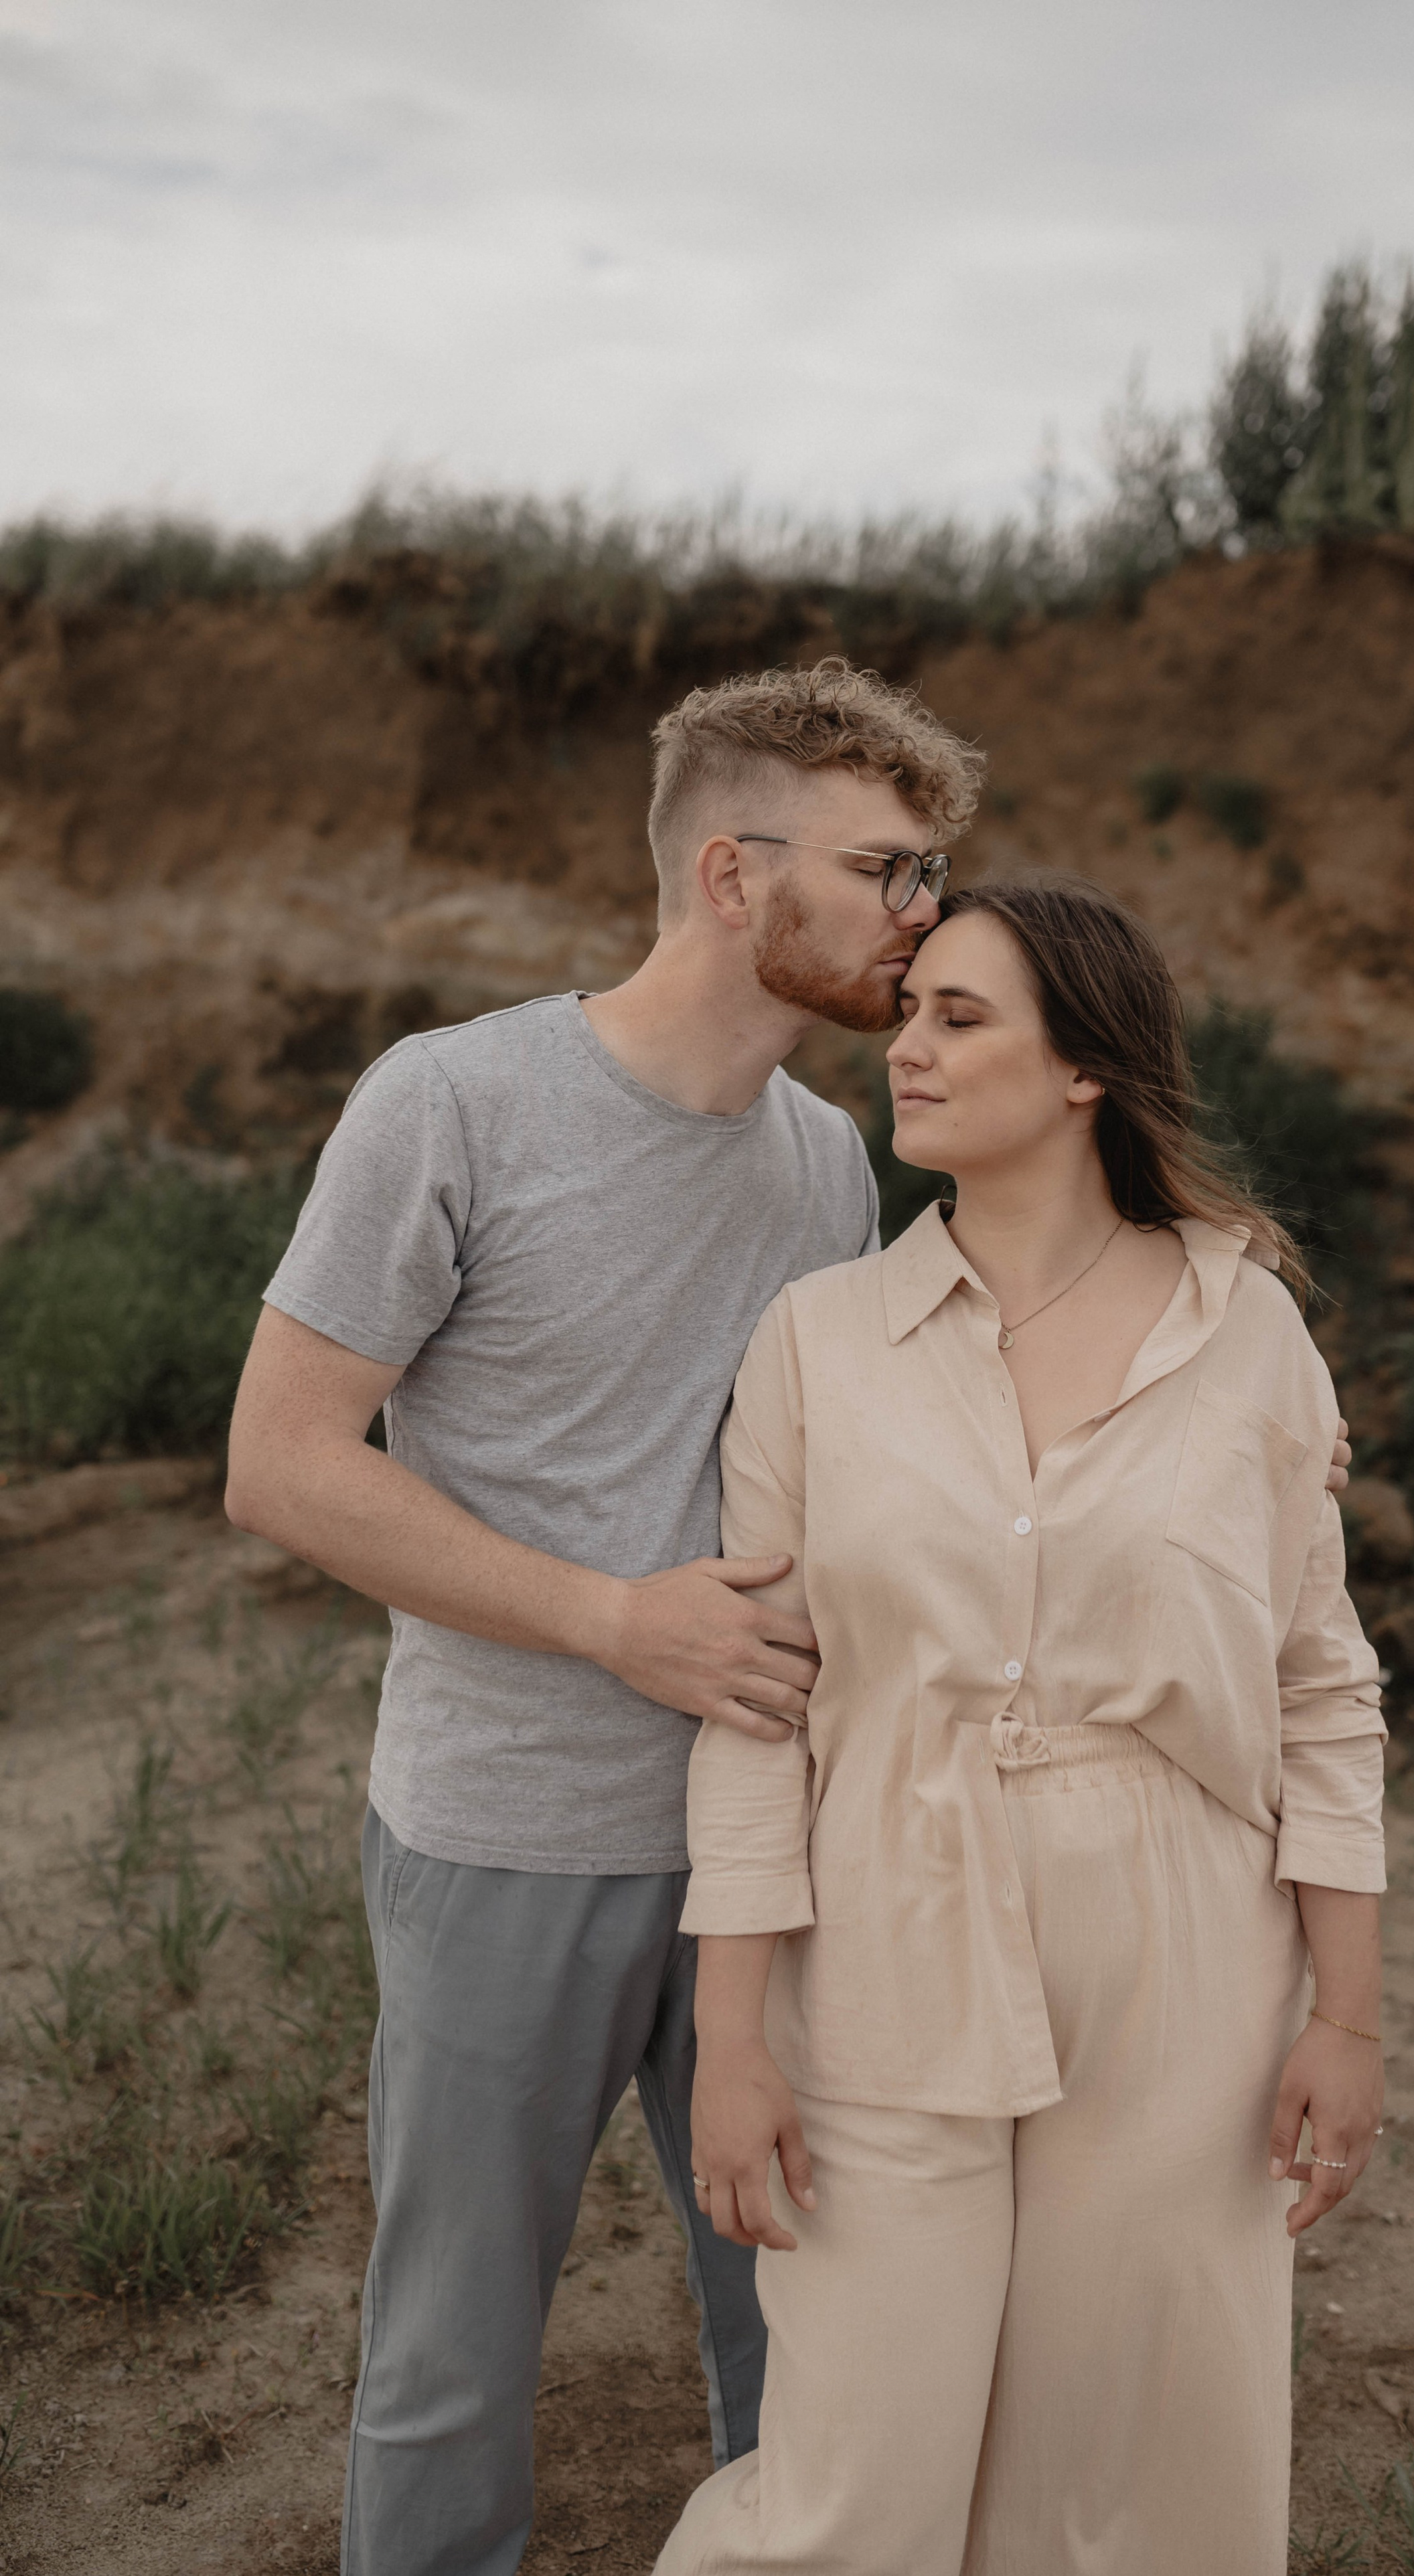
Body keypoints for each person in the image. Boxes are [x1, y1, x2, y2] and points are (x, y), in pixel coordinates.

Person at [222, 658, 988, 2576]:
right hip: (507, 1837)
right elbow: (283, 1462)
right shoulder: (456, 1102)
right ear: (734, 876)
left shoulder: (829, 1167)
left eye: (931, 878)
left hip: (765, 1854)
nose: (925, 915)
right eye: (890, 871)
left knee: (798, 2324)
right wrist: (606, 1621)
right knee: (455, 2355)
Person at [660, 877, 1387, 2576]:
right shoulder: (817, 1340)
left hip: (1185, 1940)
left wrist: (1344, 2016)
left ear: (1085, 1070)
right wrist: (736, 2037)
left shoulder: (1245, 1326)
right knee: (851, 2471)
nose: (902, 1048)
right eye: (909, 1013)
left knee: (1136, 2465)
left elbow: (1317, 1686)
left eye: (957, 1017)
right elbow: (760, 1710)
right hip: (884, 1918)